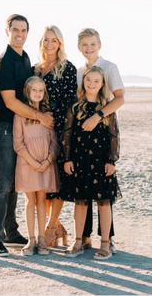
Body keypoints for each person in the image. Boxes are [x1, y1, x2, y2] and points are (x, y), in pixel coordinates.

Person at [0, 14, 53, 257]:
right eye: (15, 29)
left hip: (22, 127)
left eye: (24, 30)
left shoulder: (25, 59)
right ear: (7, 31)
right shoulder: (4, 61)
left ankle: (10, 231)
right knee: (3, 184)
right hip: (5, 127)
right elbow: (10, 101)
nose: (20, 34)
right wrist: (41, 118)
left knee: (16, 182)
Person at [63, 66, 122, 260]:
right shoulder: (75, 106)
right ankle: (79, 240)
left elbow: (114, 135)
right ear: (83, 81)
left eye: (97, 81)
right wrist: (67, 158)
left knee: (104, 202)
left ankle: (105, 243)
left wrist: (112, 160)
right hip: (80, 160)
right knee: (80, 202)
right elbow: (68, 134)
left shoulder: (106, 108)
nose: (92, 84)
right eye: (89, 80)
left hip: (101, 161)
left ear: (103, 84)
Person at [77, 28, 124, 253]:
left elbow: (120, 98)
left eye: (92, 44)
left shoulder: (109, 67)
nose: (89, 48)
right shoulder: (79, 72)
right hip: (82, 139)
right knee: (84, 191)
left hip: (103, 131)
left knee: (104, 192)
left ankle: (107, 239)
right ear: (79, 47)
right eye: (84, 45)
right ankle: (83, 237)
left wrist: (98, 116)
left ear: (99, 44)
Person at [34, 25, 77, 247]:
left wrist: (52, 117)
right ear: (41, 42)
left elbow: (72, 104)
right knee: (44, 182)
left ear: (60, 43)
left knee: (58, 181)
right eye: (46, 40)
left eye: (54, 40)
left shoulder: (67, 68)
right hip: (39, 133)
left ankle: (50, 228)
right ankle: (57, 226)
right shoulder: (35, 69)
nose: (49, 44)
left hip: (60, 131)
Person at [13, 76, 59, 256]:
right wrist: (33, 163)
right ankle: (30, 239)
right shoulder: (21, 115)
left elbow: (55, 142)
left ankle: (42, 239)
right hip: (27, 163)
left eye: (41, 90)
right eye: (34, 90)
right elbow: (18, 144)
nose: (38, 93)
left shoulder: (48, 115)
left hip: (45, 164)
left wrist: (47, 161)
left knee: (42, 201)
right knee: (30, 201)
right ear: (27, 92)